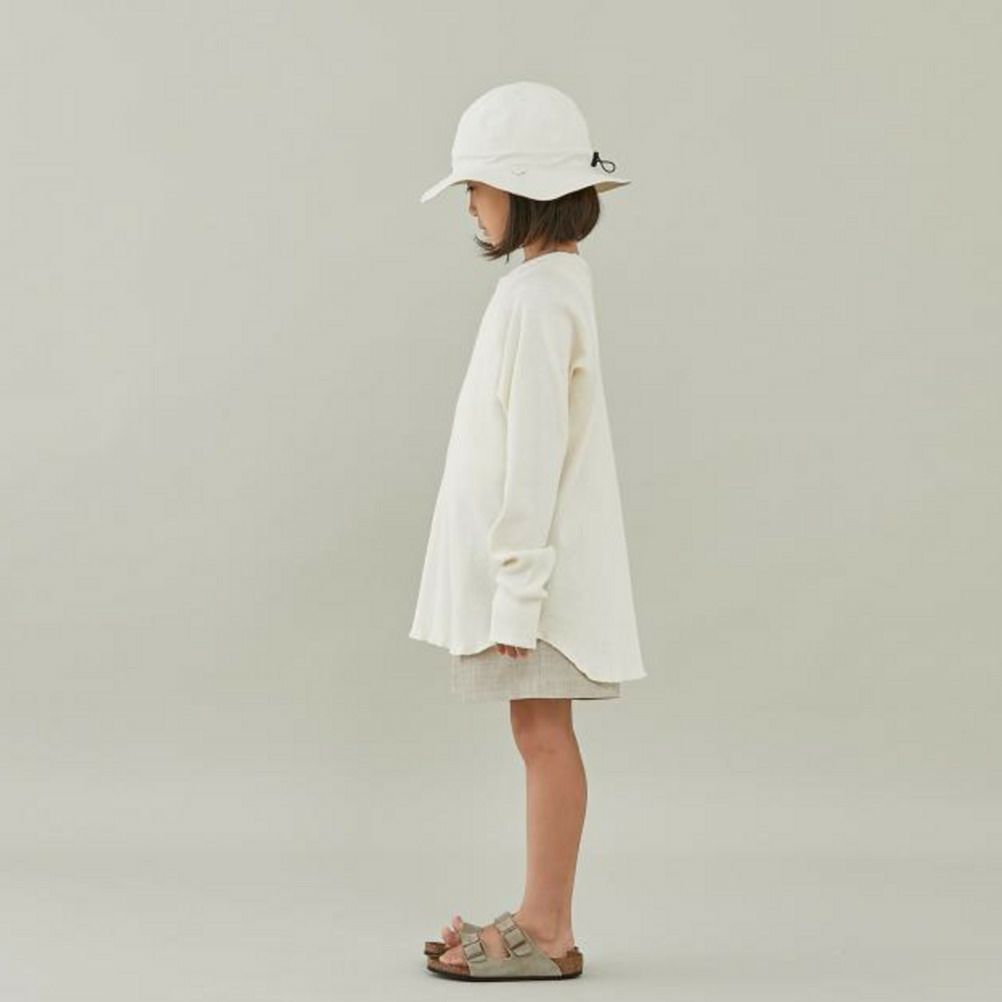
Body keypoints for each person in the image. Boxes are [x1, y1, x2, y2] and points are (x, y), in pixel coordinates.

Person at [409, 81, 647, 982]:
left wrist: (515, 590)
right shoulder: (548, 286)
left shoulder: (538, 299)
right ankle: (542, 918)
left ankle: (547, 930)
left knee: (544, 739)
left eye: (476, 185)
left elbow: (535, 449)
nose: (469, 203)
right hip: (535, 570)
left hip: (534, 579)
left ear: (521, 189)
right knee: (539, 735)